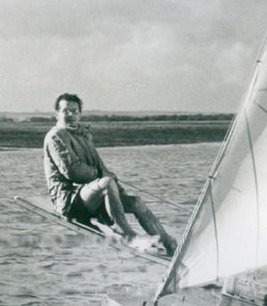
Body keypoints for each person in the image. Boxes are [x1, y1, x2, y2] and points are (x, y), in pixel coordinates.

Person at [43, 93, 177, 256]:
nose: (71, 115)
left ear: (80, 114)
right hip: (69, 200)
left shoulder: (83, 135)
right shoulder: (56, 136)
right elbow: (73, 171)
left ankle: (167, 242)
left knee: (136, 202)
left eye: (75, 111)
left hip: (90, 196)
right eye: (66, 111)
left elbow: (101, 167)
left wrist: (119, 191)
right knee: (106, 183)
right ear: (57, 113)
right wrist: (102, 176)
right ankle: (129, 236)